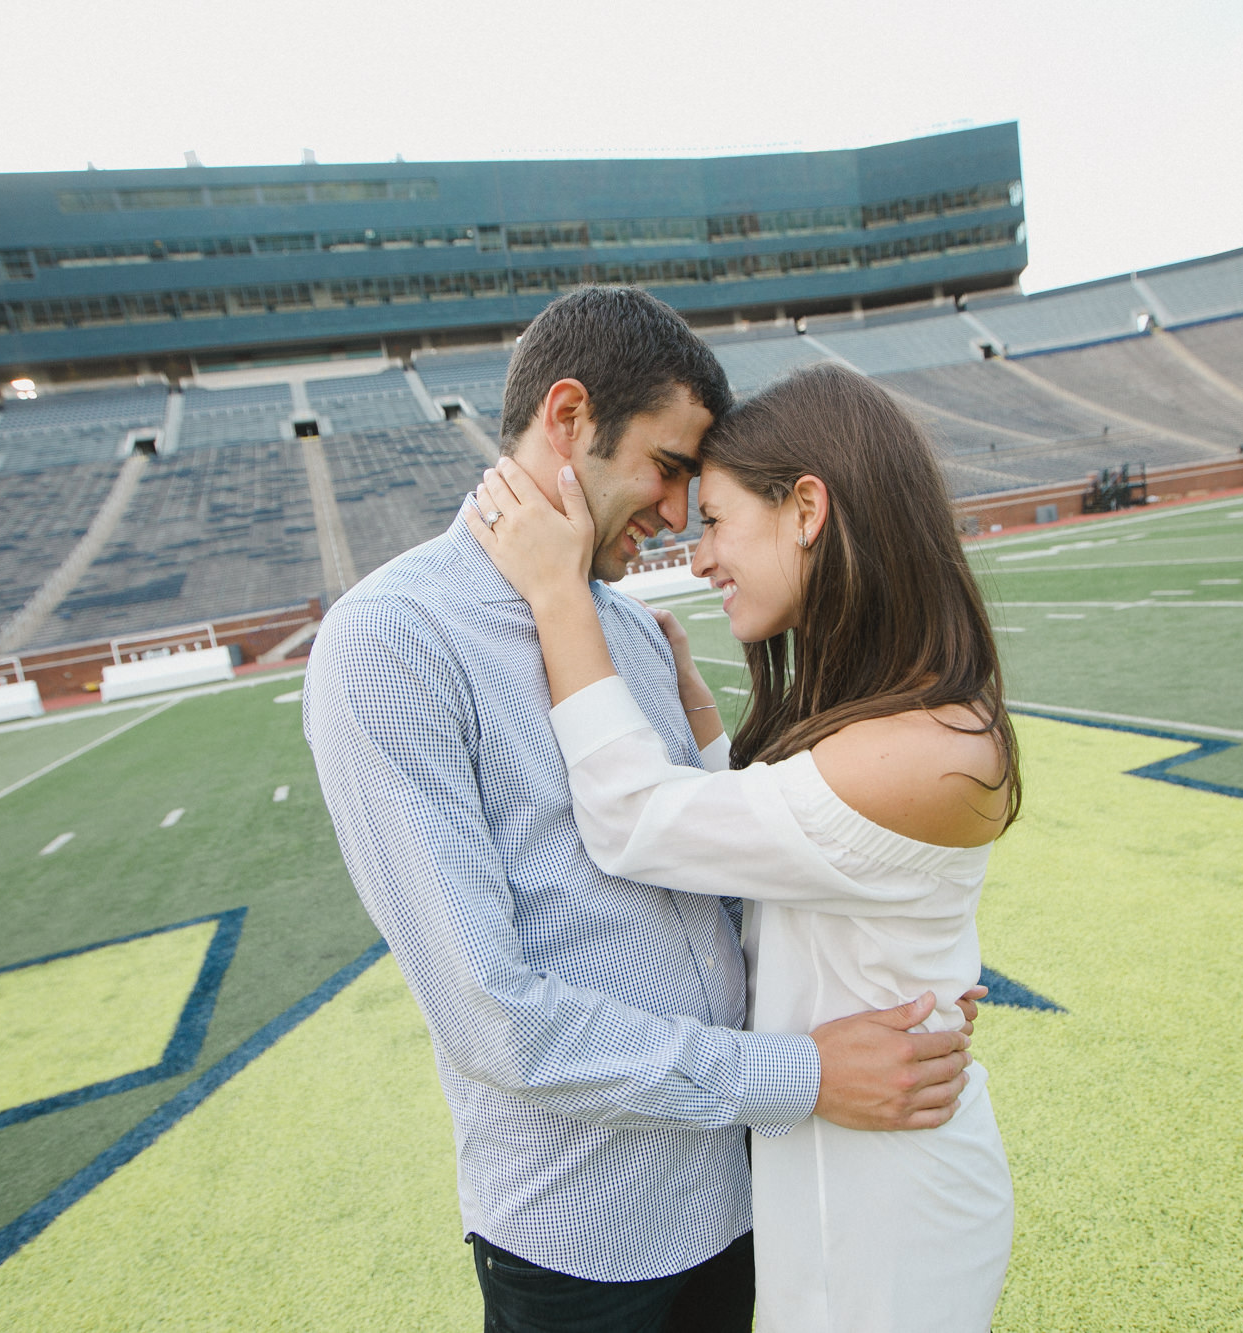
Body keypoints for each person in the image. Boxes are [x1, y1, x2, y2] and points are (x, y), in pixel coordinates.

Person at [304, 288, 982, 1333]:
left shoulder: (619, 627)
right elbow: (498, 1019)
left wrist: (900, 983)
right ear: (568, 419)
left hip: (741, 1193)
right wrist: (796, 1072)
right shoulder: (390, 643)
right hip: (588, 1233)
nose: (677, 518)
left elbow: (714, 877)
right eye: (668, 470)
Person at [464, 361, 1019, 1332]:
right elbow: (774, 854)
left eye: (717, 520)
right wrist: (695, 712)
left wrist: (556, 595)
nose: (701, 552)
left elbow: (634, 820)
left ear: (805, 508)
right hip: (830, 1181)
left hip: (889, 1217)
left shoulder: (925, 750)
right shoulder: (898, 717)